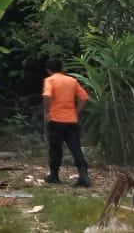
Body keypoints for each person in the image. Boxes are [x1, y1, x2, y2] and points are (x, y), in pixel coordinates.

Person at [42, 58, 91, 187]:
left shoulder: (50, 80)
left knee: (55, 148)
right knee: (75, 147)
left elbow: (47, 96)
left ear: (48, 70)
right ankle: (83, 175)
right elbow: (84, 97)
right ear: (61, 68)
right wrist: (76, 111)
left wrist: (47, 112)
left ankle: (54, 175)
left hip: (56, 119)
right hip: (71, 119)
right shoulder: (72, 80)